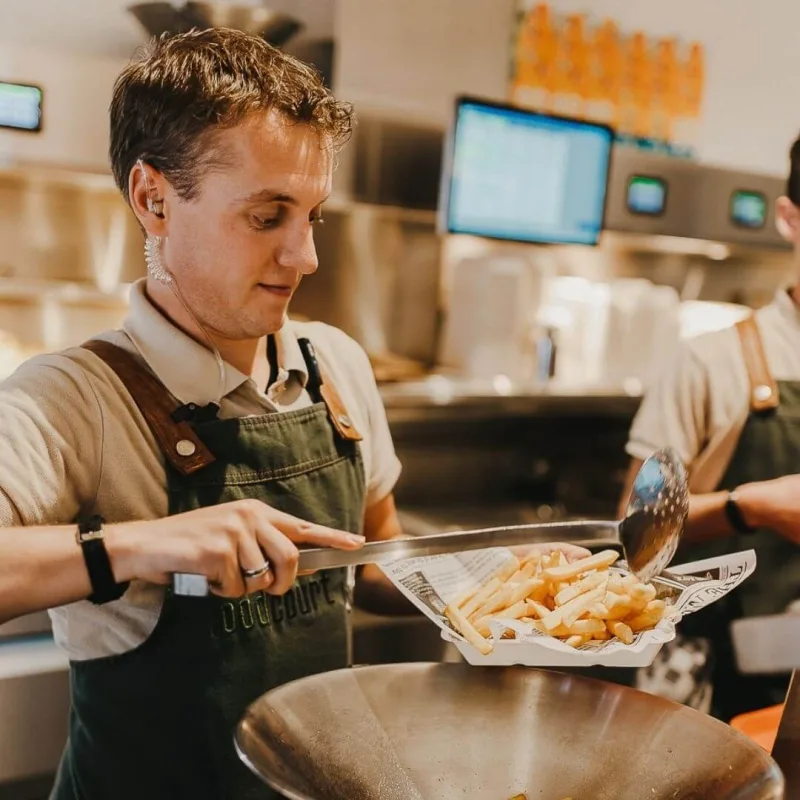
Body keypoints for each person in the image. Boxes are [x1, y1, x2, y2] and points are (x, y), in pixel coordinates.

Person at [0, 29, 584, 800]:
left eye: (313, 215)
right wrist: (138, 546)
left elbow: (374, 563)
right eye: (267, 216)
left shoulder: (334, 365)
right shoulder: (69, 397)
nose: (305, 256)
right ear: (154, 200)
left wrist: (495, 586)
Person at [620, 133, 800, 722]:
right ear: (788, 217)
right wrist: (751, 505)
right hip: (728, 688)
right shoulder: (711, 361)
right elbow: (636, 532)